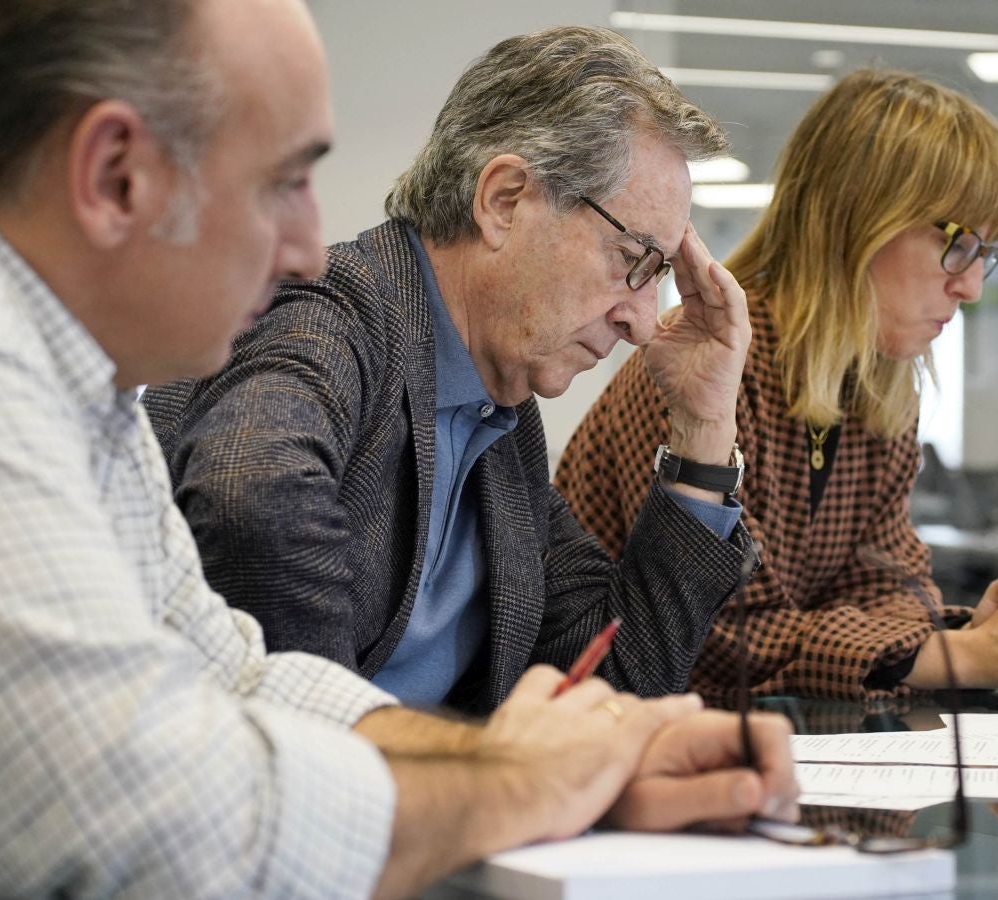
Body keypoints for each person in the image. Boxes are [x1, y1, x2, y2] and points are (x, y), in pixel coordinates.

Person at [0, 3, 798, 897]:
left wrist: (591, 758)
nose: (309, 245)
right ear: (115, 174)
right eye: (282, 182)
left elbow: (244, 680)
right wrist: (517, 781)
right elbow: (155, 814)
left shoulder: (93, 395)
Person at [142, 26, 754, 712]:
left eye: (659, 277)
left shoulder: (498, 417)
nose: (642, 322)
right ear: (504, 200)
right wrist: (401, 762)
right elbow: (244, 495)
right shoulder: (332, 311)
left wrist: (703, 428)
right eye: (634, 260)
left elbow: (617, 678)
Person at [556, 69, 998, 705]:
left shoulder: (876, 379)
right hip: (622, 751)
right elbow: (724, 641)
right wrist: (960, 654)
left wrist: (970, 632)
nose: (971, 286)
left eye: (986, 254)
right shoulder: (703, 361)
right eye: (959, 244)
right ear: (859, 217)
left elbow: (886, 585)